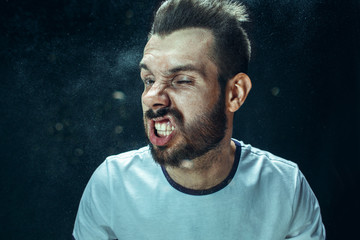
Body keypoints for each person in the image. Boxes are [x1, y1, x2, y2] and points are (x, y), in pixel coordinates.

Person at [73, 0, 326, 239]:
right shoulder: (111, 185)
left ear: (235, 93)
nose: (151, 97)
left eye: (182, 80)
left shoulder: (286, 189)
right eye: (149, 80)